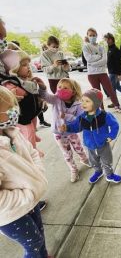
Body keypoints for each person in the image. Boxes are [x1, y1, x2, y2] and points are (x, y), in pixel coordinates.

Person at [0, 86, 50, 257]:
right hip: (12, 215)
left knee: (40, 234)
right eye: (9, 108)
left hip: (31, 200)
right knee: (33, 244)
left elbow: (32, 152)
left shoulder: (12, 132)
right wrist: (27, 195)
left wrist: (38, 173)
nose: (15, 110)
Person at [60, 88, 121, 184]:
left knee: (107, 161)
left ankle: (109, 175)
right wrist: (67, 128)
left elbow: (114, 125)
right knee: (94, 161)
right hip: (90, 145)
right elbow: (76, 127)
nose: (83, 104)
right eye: (82, 101)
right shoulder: (82, 117)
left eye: (87, 101)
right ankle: (98, 172)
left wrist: (111, 136)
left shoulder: (104, 115)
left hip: (103, 144)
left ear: (96, 103)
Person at [36, 77, 90, 183]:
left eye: (65, 88)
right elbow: (45, 96)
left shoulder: (78, 104)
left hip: (72, 132)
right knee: (67, 153)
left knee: (79, 148)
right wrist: (42, 87)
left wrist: (67, 116)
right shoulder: (56, 99)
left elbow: (80, 119)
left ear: (73, 91)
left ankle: (84, 159)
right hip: (59, 133)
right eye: (59, 87)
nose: (61, 89)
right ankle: (73, 169)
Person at [8, 40, 50, 128]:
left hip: (32, 117)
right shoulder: (12, 84)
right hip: (21, 123)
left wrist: (42, 89)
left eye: (28, 64)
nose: (28, 67)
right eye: (24, 65)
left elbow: (39, 96)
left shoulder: (29, 80)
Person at [82, 28, 121, 113]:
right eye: (90, 35)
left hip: (102, 73)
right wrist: (98, 57)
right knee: (97, 94)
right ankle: (101, 110)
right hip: (92, 74)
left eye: (94, 35)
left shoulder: (101, 47)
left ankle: (117, 106)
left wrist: (93, 63)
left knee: (110, 90)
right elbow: (88, 59)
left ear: (96, 36)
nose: (92, 37)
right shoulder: (86, 46)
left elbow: (105, 60)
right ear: (87, 36)